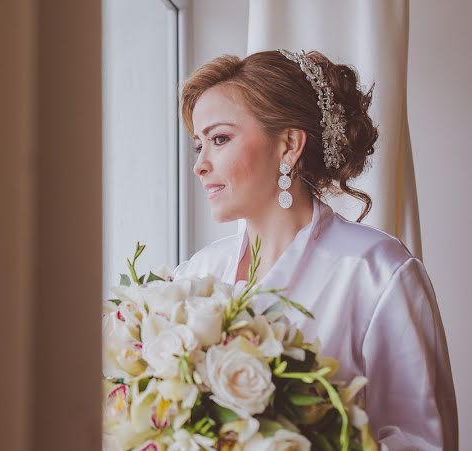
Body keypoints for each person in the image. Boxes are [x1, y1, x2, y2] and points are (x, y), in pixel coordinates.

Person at [171, 50, 458, 450]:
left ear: (288, 144)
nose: (200, 164)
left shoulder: (377, 272)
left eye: (219, 139)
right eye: (198, 145)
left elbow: (425, 441)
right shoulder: (194, 276)